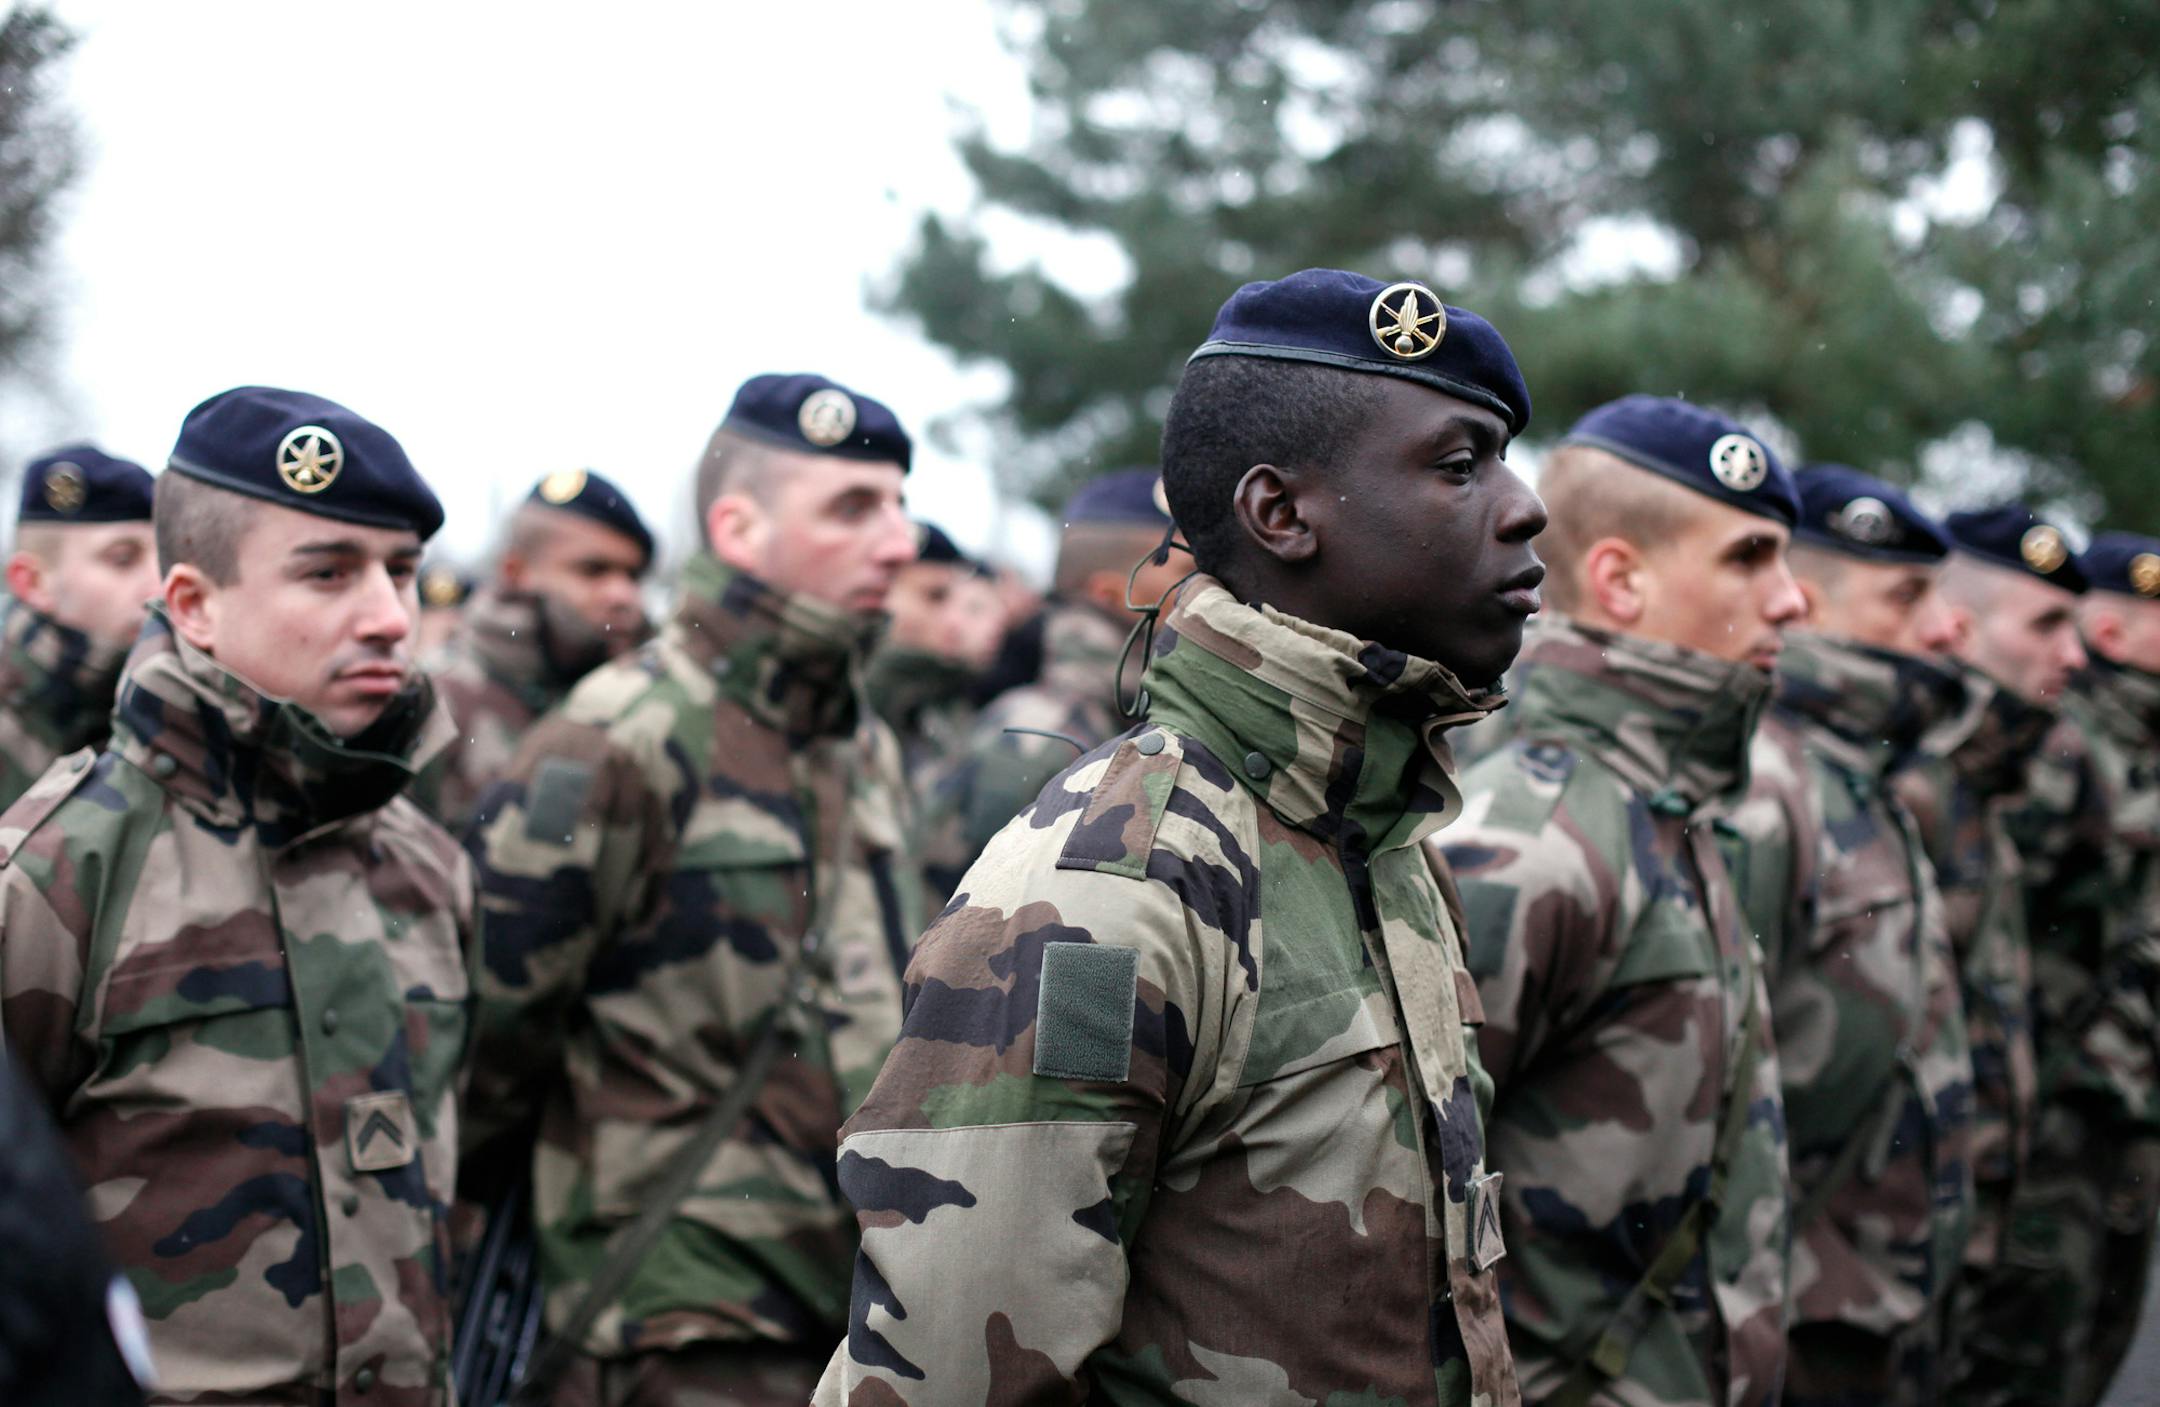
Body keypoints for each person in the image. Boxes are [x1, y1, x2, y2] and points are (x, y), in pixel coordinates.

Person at [815, 268, 1537, 1405]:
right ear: (1280, 514)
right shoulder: (1114, 882)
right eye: (1460, 465)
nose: (1520, 505)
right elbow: (948, 1376)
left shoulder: (1380, 836)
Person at [0, 386, 473, 1404]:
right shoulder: (55, 871)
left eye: (403, 573)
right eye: (329, 574)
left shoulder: (429, 869)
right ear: (194, 605)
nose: (390, 618)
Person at [462, 373, 924, 1406]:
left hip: (849, 1303)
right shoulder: (616, 737)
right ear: (739, 527)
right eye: (853, 508)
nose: (897, 540)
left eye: (898, 503)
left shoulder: (861, 741)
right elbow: (488, 1042)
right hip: (673, 1318)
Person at [1439, 395, 1802, 1407]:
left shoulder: (1669, 809)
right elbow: (1398, 1232)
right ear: (1619, 579)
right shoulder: (1532, 841)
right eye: (1748, 558)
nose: (1792, 601)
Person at [1725, 467, 1975, 1405]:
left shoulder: (1856, 767)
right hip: (1801, 1322)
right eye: (1909, 597)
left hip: (1879, 1300)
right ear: (1809, 600)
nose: (1948, 627)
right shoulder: (1763, 781)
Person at [1891, 504, 2085, 1406]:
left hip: (1970, 1230)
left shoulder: (1986, 782)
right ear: (1960, 623)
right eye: (2047, 623)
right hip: (1883, 1259)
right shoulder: (1907, 789)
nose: (2075, 655)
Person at [1993, 530, 2160, 1407]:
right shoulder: (2065, 744)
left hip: (2119, 1098)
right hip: (2057, 1094)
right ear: (2113, 630)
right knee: (2029, 1349)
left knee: (2093, 1339)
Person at [923, 468, 1185, 897]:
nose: (1205, 587)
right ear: (1111, 592)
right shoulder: (1040, 736)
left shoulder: (1138, 717)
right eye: (1187, 569)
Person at [417, 469, 653, 833]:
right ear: (517, 571)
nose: (622, 595)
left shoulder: (655, 697)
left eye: (633, 576)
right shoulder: (436, 703)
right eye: (593, 571)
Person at [0, 445, 160, 807]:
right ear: (33, 583)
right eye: (122, 559)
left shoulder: (170, 707)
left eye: (164, 558)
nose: (160, 586)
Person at [865, 521, 996, 791]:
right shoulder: (858, 698)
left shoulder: (939, 695)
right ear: (882, 592)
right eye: (934, 597)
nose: (954, 622)